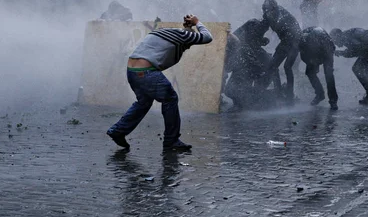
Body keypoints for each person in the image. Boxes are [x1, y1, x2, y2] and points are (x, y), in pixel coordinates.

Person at [106, 14, 213, 151]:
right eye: (189, 44)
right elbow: (207, 37)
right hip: (146, 72)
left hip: (132, 71)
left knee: (144, 102)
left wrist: (187, 26)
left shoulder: (165, 33)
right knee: (170, 98)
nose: (188, 47)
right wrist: (196, 21)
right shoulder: (182, 35)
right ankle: (171, 140)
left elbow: (182, 37)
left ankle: (118, 131)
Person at [224, 19, 276, 109]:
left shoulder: (245, 44)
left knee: (233, 90)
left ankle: (258, 100)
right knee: (230, 90)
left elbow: (254, 57)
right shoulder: (242, 41)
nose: (265, 31)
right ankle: (244, 102)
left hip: (249, 68)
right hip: (246, 67)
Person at [330, 28, 368, 105]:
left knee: (357, 68)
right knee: (364, 68)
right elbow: (357, 49)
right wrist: (342, 53)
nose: (335, 44)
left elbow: (357, 49)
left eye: (334, 40)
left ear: (337, 36)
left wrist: (342, 53)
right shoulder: (347, 35)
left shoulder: (345, 37)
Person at [261, 0, 302, 103]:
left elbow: (296, 30)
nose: (268, 12)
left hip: (294, 41)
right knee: (273, 66)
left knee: (287, 67)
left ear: (274, 8)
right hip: (285, 41)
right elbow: (262, 26)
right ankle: (278, 93)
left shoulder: (283, 15)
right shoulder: (267, 15)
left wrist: (296, 45)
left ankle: (289, 96)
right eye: (265, 9)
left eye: (269, 9)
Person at [299, 27, 339, 110]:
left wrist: (315, 62)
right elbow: (303, 55)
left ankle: (333, 101)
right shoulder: (303, 43)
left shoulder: (326, 45)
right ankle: (320, 94)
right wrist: (311, 63)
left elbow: (331, 49)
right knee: (310, 72)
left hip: (327, 49)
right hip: (314, 48)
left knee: (329, 74)